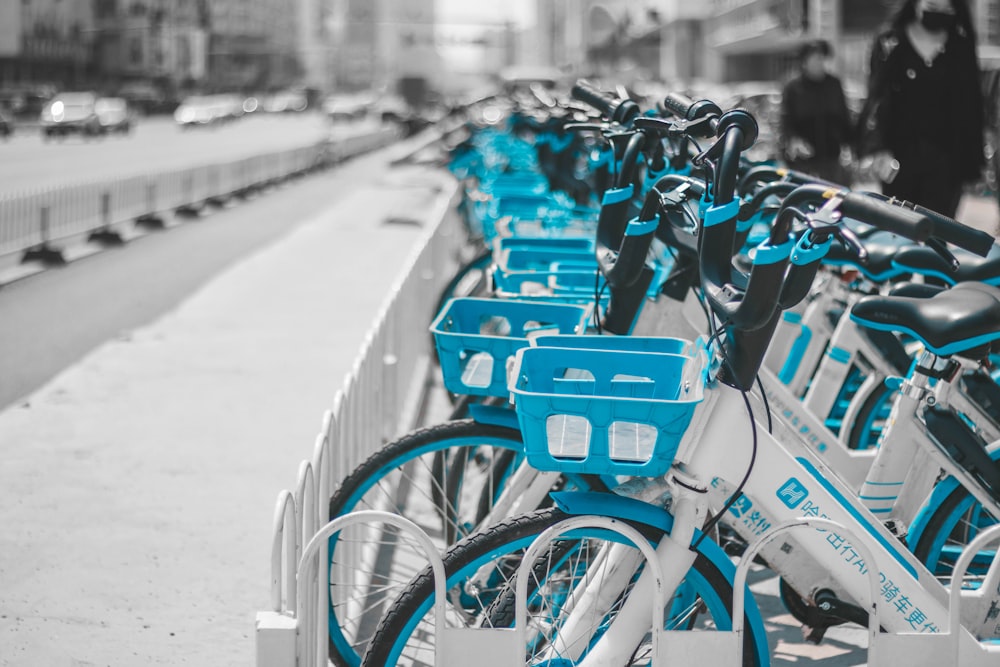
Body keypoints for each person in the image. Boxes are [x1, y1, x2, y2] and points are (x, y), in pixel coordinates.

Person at [856, 0, 984, 218]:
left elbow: (972, 105)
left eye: (947, 8)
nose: (940, 13)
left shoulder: (960, 45)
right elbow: (876, 98)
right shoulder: (890, 42)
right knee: (899, 230)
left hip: (947, 162)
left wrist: (974, 164)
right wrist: (876, 148)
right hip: (898, 159)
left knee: (937, 234)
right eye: (933, 6)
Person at [779, 39, 853, 185]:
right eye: (814, 58)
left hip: (832, 158)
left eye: (821, 58)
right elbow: (786, 123)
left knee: (835, 200)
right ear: (804, 62)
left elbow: (844, 118)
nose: (819, 62)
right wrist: (794, 140)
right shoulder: (793, 88)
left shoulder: (834, 84)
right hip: (804, 162)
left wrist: (850, 147)